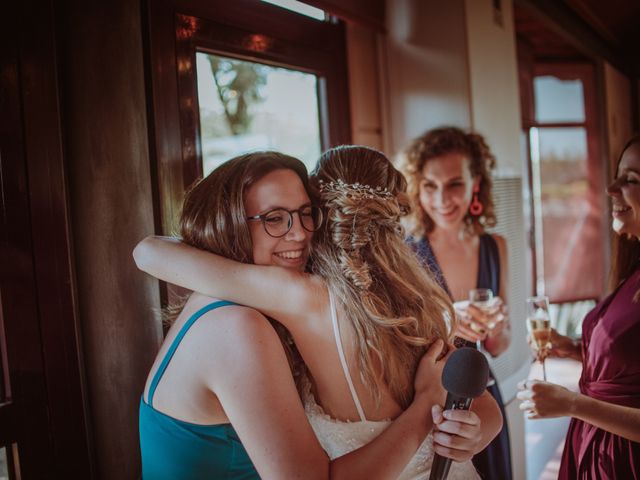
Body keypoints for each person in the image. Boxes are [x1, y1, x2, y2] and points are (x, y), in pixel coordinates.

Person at [135, 146, 503, 479]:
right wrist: (427, 406)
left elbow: (480, 405)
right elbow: (146, 252)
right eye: (275, 218)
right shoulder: (237, 325)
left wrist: (470, 434)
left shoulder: (358, 302)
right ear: (227, 222)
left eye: (306, 214)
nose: (298, 234)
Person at [518, 134, 640, 479]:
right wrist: (573, 349)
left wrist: (572, 403)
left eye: (631, 179)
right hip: (598, 450)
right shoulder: (633, 270)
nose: (612, 188)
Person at [400, 127, 513, 480]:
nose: (442, 199)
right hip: (428, 402)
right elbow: (397, 335)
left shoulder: (496, 246)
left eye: (454, 185)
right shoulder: (404, 250)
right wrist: (447, 319)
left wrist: (496, 328)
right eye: (430, 186)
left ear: (475, 182)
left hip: (483, 399)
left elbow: (499, 345)